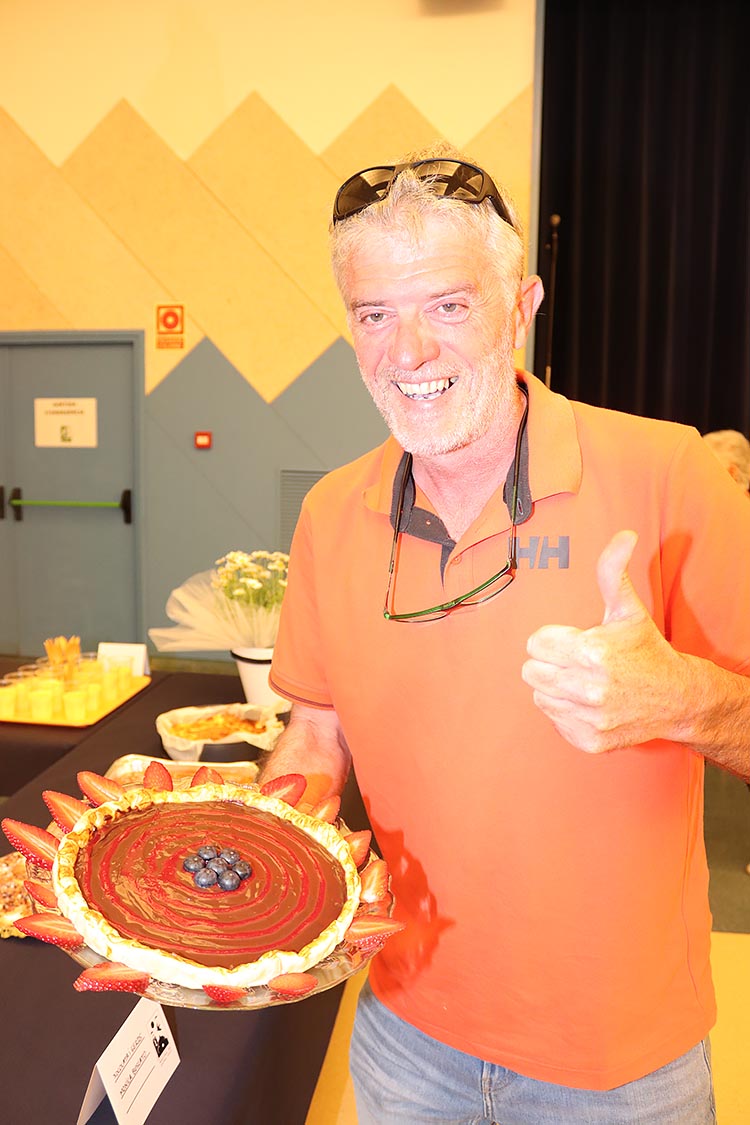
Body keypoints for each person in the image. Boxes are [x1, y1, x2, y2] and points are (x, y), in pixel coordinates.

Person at [259, 142, 750, 1124]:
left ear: (521, 307)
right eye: (375, 314)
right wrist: (256, 854)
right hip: (403, 1036)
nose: (408, 353)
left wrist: (685, 699)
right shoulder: (330, 513)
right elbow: (315, 735)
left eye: (447, 305)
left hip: (618, 1066)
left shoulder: (670, 476)